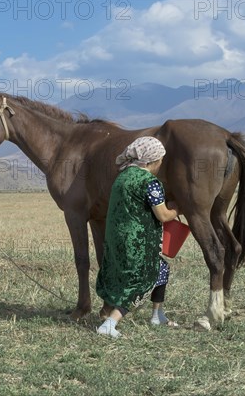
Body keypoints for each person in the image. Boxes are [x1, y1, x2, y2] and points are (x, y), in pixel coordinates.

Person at [96, 136, 180, 338]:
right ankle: (109, 324)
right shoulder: (150, 182)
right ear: (152, 161)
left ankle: (157, 315)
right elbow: (162, 215)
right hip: (138, 242)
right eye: (160, 159)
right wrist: (178, 209)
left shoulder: (122, 177)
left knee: (161, 268)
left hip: (117, 238)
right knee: (139, 279)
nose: (161, 163)